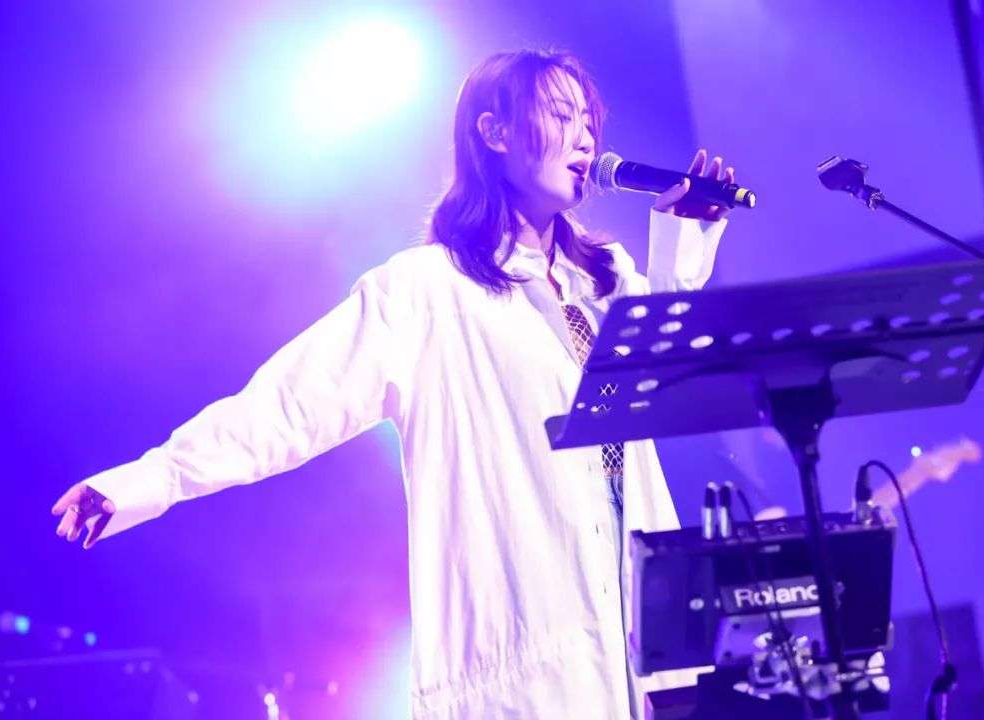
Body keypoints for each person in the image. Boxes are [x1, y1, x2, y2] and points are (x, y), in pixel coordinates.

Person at [51, 49, 737, 719]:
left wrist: (682, 255)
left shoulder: (606, 280)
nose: (585, 137)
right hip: (531, 664)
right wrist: (149, 480)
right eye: (561, 115)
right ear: (495, 132)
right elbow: (286, 406)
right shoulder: (423, 291)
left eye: (588, 120)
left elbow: (666, 390)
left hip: (644, 652)